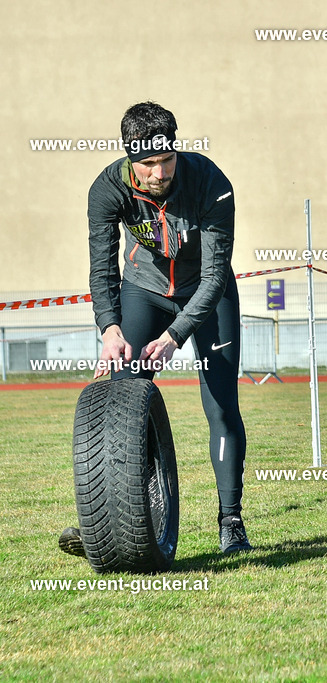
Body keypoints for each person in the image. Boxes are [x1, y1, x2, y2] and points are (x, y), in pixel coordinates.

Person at [59, 101, 251, 556]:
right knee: (123, 401)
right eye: (147, 164)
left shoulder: (211, 182)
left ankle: (231, 522)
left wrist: (175, 336)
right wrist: (109, 328)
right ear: (131, 158)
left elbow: (215, 276)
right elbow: (102, 269)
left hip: (207, 293)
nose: (159, 173)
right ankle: (116, 518)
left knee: (222, 406)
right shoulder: (107, 189)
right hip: (143, 290)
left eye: (167, 159)